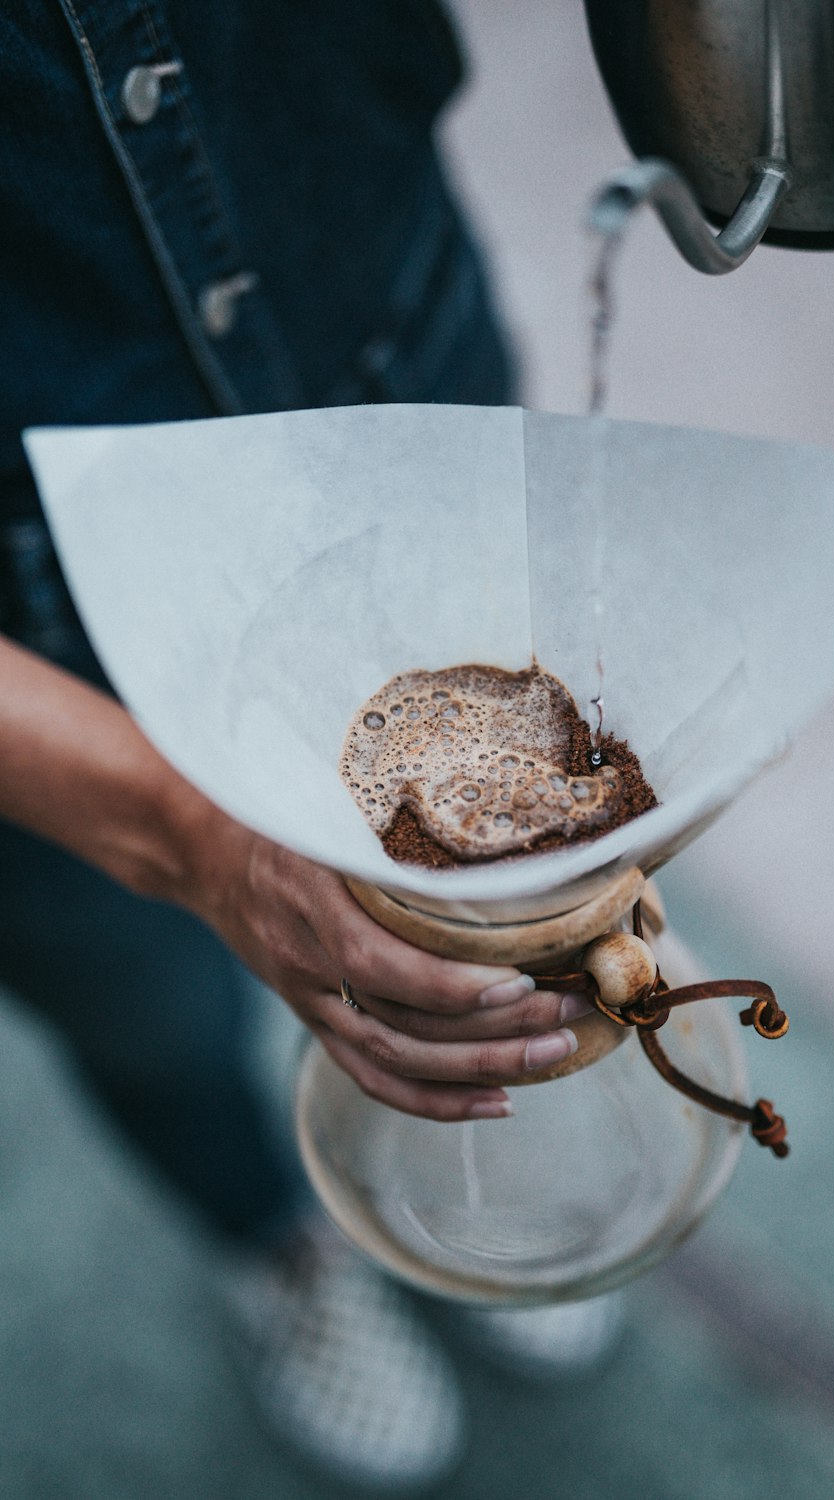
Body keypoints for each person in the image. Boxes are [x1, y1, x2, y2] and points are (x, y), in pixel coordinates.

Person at [1, 2, 619, 1487]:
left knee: (484, 900)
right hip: (34, 628)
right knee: (151, 1013)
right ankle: (273, 1246)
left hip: (392, 340)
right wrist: (190, 835)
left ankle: (457, 1171)